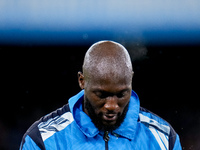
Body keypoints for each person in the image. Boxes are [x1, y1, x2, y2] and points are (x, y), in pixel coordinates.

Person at [20, 41, 182, 150]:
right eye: (101, 95)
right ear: (82, 81)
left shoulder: (165, 139)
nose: (112, 106)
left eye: (121, 94)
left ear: (131, 81)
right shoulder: (42, 140)